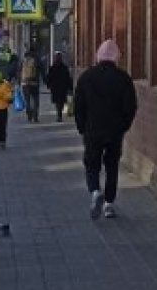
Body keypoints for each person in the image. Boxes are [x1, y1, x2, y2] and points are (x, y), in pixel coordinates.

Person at [74, 39, 137, 220]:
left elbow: (79, 105)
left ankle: (95, 191)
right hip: (114, 131)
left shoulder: (87, 77)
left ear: (98, 56)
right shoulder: (123, 78)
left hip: (92, 130)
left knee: (92, 163)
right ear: (116, 57)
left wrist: (82, 127)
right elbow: (131, 106)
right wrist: (123, 126)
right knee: (112, 165)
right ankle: (109, 203)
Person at [45, 52, 74, 123]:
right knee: (61, 102)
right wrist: (70, 87)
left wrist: (48, 85)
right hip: (63, 88)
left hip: (55, 88)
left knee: (57, 102)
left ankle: (59, 114)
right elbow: (68, 78)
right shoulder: (64, 67)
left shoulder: (52, 67)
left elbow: (49, 77)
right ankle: (59, 114)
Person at [20, 49, 42, 123]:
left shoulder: (23, 61)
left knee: (27, 101)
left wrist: (18, 81)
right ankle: (35, 117)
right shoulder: (36, 61)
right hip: (34, 83)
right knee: (35, 101)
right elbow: (41, 70)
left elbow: (18, 71)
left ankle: (29, 115)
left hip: (25, 84)